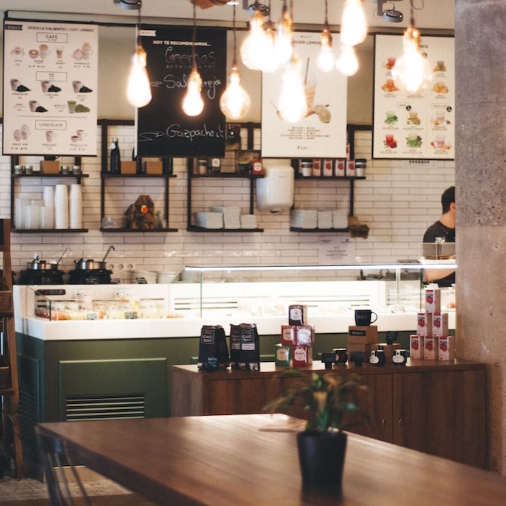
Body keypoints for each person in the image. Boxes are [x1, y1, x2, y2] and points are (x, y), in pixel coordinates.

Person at [423, 186, 455, 286]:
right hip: (442, 292)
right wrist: (463, 261)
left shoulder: (463, 233)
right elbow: (430, 274)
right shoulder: (433, 233)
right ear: (453, 207)